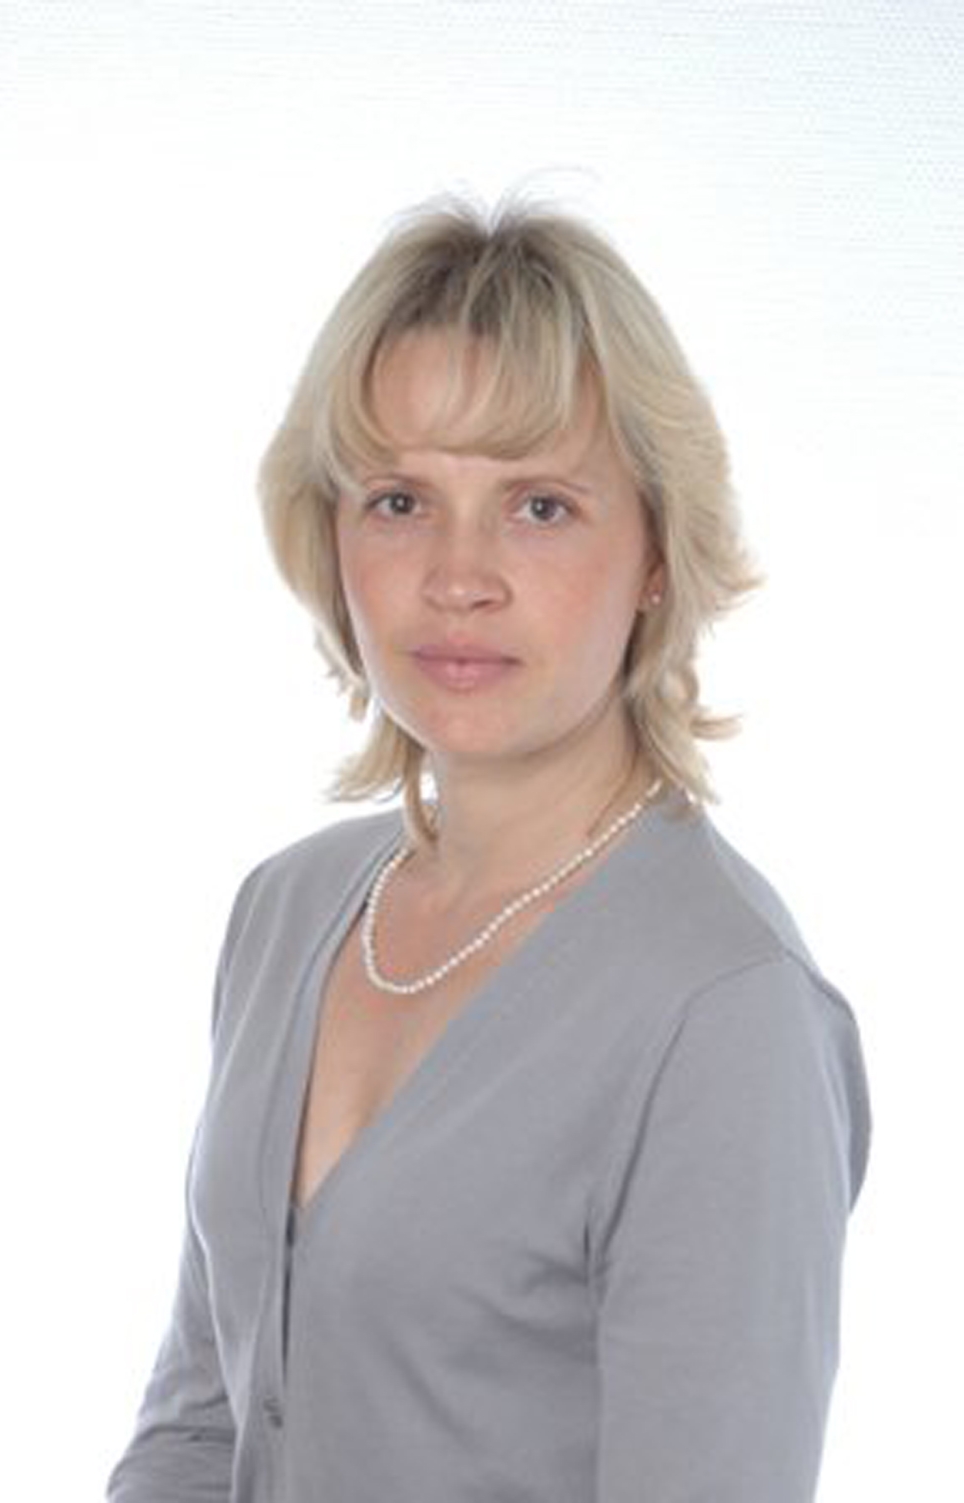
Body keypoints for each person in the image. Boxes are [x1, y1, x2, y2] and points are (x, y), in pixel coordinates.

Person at [106, 195, 871, 1503]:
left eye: (541, 507)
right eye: (400, 500)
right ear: (329, 535)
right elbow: (201, 1425)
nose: (458, 576)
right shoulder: (286, 912)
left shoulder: (727, 1016)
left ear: (655, 554)